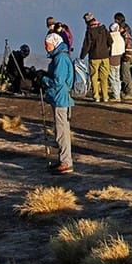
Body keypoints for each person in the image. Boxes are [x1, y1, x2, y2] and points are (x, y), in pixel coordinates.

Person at [41, 33, 75, 174]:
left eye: (47, 44)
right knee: (61, 130)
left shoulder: (60, 58)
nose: (45, 47)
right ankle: (64, 160)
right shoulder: (61, 56)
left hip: (60, 99)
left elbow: (58, 81)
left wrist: (43, 79)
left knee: (62, 132)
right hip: (60, 98)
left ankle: (66, 162)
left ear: (54, 43)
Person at [79, 12, 113, 102]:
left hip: (94, 57)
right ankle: (105, 96)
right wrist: (107, 49)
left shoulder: (89, 31)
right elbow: (110, 40)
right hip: (105, 56)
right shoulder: (103, 28)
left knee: (94, 77)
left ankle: (96, 96)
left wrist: (82, 56)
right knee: (104, 77)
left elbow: (87, 45)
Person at [114, 12, 132, 100]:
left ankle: (129, 92)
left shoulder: (125, 31)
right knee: (123, 73)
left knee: (125, 73)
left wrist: (127, 55)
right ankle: (125, 90)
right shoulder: (125, 28)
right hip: (124, 54)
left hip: (125, 55)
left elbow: (128, 44)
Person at [108, 22, 126, 102]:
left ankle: (116, 96)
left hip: (111, 59)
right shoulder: (120, 37)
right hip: (118, 59)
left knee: (112, 78)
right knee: (117, 77)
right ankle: (117, 93)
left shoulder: (110, 37)